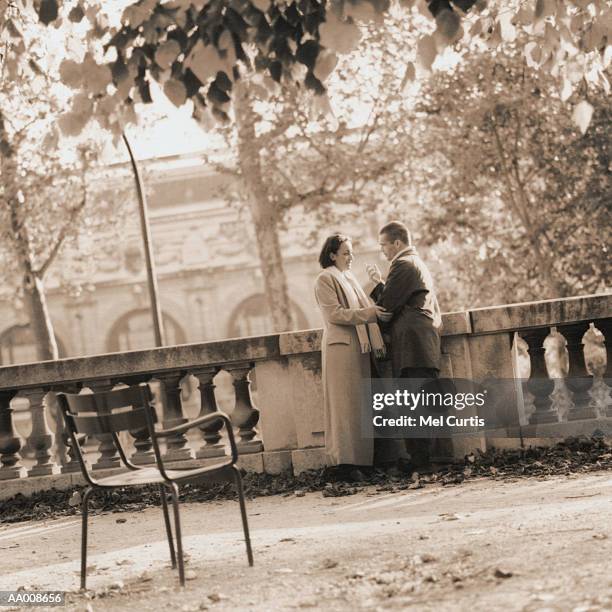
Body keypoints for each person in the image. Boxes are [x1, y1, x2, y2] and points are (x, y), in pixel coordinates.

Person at [315, 234, 391, 477]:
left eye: (351, 252)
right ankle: (344, 463)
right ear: (332, 255)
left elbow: (359, 304)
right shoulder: (325, 278)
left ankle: (360, 462)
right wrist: (370, 314)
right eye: (346, 253)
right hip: (340, 348)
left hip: (357, 347)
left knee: (357, 405)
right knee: (344, 406)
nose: (351, 257)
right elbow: (335, 315)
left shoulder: (347, 278)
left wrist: (375, 283)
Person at [367, 221, 443, 467]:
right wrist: (382, 284)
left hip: (412, 345)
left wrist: (378, 293)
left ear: (397, 243)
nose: (383, 251)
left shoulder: (402, 263)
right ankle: (423, 459)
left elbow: (387, 306)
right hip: (421, 344)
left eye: (384, 245)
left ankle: (420, 461)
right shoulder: (416, 262)